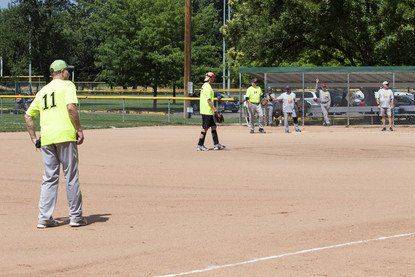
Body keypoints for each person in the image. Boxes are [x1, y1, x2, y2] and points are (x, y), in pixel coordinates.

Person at [24, 60, 87, 228]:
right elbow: (71, 108)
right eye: (67, 70)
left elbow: (28, 116)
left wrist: (34, 139)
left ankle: (44, 218)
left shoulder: (43, 91)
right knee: (71, 176)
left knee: (49, 178)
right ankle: (75, 217)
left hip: (46, 138)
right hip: (65, 136)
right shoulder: (68, 86)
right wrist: (79, 129)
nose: (68, 73)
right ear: (62, 71)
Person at [196, 72, 226, 151]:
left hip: (207, 110)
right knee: (204, 128)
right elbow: (209, 100)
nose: (213, 79)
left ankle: (216, 144)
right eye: (213, 78)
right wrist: (215, 109)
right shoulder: (207, 87)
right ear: (210, 78)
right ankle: (200, 145)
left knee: (213, 127)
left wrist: (217, 96)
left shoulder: (205, 86)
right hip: (207, 111)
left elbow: (210, 97)